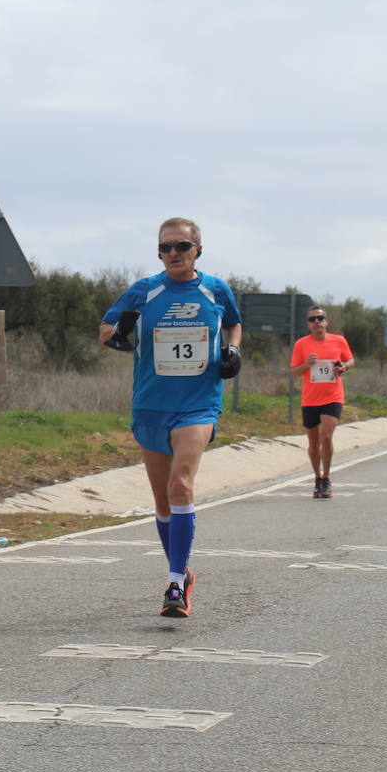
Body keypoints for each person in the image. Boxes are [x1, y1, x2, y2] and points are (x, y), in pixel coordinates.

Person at [99, 217, 242, 618]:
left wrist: (233, 350)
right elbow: (106, 333)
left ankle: (175, 581)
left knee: (181, 484)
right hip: (150, 404)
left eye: (181, 246)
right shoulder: (144, 290)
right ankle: (181, 570)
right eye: (165, 248)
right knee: (162, 499)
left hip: (198, 402)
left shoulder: (216, 288)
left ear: (199, 250)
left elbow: (233, 322)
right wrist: (121, 334)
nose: (173, 254)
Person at [289, 306, 355, 499]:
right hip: (310, 398)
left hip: (333, 396)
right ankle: (317, 477)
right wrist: (306, 365)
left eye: (320, 318)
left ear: (326, 321)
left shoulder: (338, 340)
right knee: (313, 441)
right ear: (308, 324)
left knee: (326, 436)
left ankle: (326, 477)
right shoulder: (301, 344)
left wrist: (343, 367)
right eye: (313, 319)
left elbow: (350, 360)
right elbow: (294, 373)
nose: (317, 321)